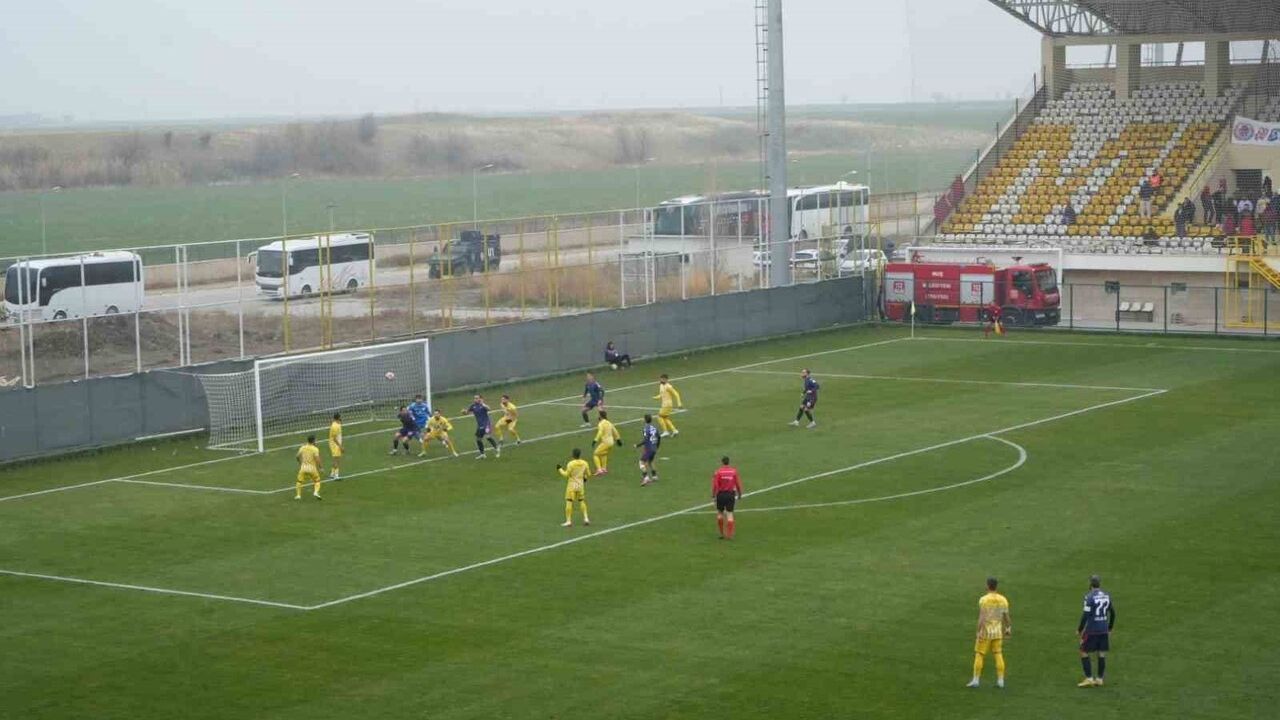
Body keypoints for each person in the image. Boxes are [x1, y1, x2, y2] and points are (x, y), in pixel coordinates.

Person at [966, 577, 1012, 689]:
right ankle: (1001, 681)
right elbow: (1006, 617)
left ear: (987, 586)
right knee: (998, 654)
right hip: (997, 631)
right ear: (996, 586)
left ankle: (976, 680)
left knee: (979, 654)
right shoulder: (1003, 599)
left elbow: (982, 617)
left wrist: (978, 631)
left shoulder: (984, 600)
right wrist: (1008, 629)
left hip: (986, 631)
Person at [1077, 574, 1116, 688]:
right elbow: (1113, 613)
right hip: (1103, 629)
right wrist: (1110, 628)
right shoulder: (1106, 596)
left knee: (1083, 651)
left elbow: (1085, 615)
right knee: (1101, 653)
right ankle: (1099, 679)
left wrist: (1079, 629)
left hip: (1092, 629)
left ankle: (1089, 678)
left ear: (1090, 584)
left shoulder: (1089, 597)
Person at [556, 448, 591, 527]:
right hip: (580, 485)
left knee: (569, 501)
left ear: (573, 455)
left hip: (572, 485)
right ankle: (586, 518)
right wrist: (584, 477)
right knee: (581, 501)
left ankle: (568, 521)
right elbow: (588, 474)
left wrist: (559, 469)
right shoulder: (585, 463)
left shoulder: (571, 464)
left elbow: (566, 475)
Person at [711, 456, 742, 539]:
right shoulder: (734, 471)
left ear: (722, 462)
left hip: (720, 494)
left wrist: (713, 495)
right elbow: (738, 484)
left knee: (720, 513)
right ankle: (729, 535)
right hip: (730, 495)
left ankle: (721, 534)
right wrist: (739, 494)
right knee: (730, 514)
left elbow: (715, 485)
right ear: (729, 462)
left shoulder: (718, 472)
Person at [464, 395, 500, 459]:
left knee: (488, 437)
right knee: (478, 439)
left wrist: (483, 404)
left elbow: (489, 409)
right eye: (474, 398)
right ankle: (482, 454)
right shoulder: (473, 406)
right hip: (480, 425)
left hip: (486, 424)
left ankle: (497, 449)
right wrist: (464, 412)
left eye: (477, 398)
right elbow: (467, 412)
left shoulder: (483, 405)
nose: (475, 399)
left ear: (480, 399)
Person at [591, 410, 621, 475]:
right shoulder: (609, 423)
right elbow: (615, 431)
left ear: (600, 416)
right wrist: (618, 440)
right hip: (611, 442)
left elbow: (600, 432)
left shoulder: (601, 424)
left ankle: (599, 470)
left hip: (606, 442)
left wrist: (595, 440)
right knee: (603, 454)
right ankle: (604, 468)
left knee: (595, 454)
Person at [654, 373, 683, 438]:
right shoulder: (661, 385)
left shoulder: (668, 386)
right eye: (661, 379)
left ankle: (665, 432)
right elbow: (662, 394)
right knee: (665, 418)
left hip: (667, 405)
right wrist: (656, 397)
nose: (661, 380)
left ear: (666, 380)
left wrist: (679, 403)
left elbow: (676, 394)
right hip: (665, 404)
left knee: (659, 417)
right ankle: (674, 430)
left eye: (663, 379)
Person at [295, 434, 324, 501]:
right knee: (317, 481)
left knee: (299, 481)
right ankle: (316, 492)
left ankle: (298, 495)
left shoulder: (302, 447)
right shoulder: (315, 449)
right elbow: (317, 459)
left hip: (303, 468)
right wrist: (321, 467)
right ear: (313, 441)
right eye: (316, 440)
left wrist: (300, 463)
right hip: (312, 469)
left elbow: (297, 456)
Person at [636, 414, 661, 486]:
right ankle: (655, 476)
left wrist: (638, 445)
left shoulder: (646, 428)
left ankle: (646, 478)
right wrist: (657, 446)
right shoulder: (654, 428)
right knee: (651, 461)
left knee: (641, 462)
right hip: (654, 448)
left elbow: (646, 439)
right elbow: (659, 437)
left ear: (645, 420)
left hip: (649, 449)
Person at [327, 413, 344, 480]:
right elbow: (334, 438)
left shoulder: (336, 424)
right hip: (335, 444)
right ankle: (336, 475)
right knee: (337, 460)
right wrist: (340, 446)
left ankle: (332, 474)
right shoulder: (335, 426)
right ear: (339, 417)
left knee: (335, 459)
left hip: (335, 444)